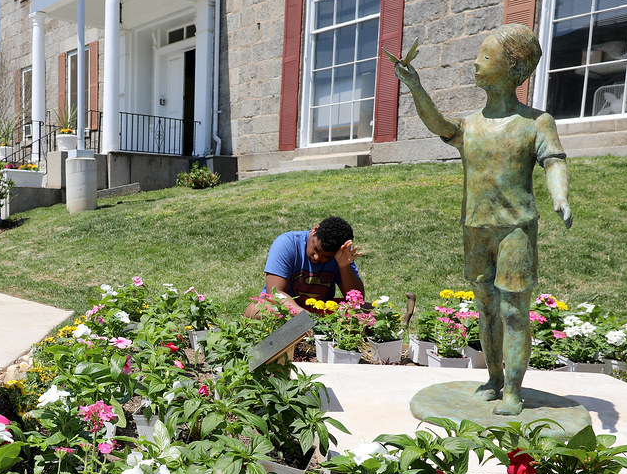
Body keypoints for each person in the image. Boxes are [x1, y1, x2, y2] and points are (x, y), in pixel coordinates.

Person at [392, 24, 572, 415]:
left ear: (514, 69)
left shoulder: (535, 123)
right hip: (476, 228)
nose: (475, 63)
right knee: (487, 309)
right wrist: (414, 86)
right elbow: (439, 124)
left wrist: (559, 197)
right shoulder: (471, 125)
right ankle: (493, 378)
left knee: (513, 311)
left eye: (486, 57)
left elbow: (554, 160)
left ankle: (513, 391)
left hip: (515, 229)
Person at [244, 215, 364, 319]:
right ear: (315, 230)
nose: (317, 257)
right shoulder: (286, 243)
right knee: (254, 310)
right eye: (316, 249)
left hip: (319, 310)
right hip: (285, 309)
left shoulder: (342, 254)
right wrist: (306, 317)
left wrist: (344, 266)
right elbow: (275, 293)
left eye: (327, 257)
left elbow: (356, 299)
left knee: (366, 313)